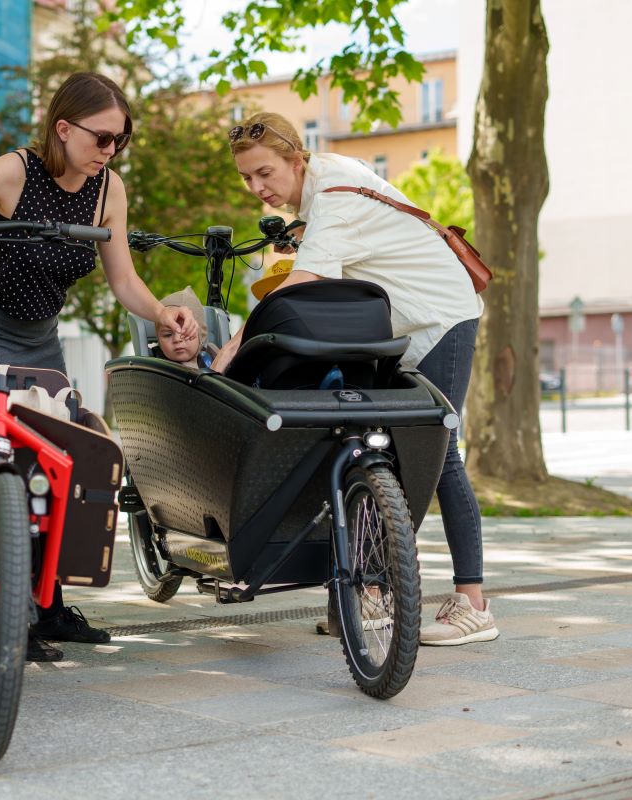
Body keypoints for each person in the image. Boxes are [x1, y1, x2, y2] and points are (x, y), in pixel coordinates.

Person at [0, 72, 199, 662]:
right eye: (101, 138)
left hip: (43, 342)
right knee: (0, 460)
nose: (109, 151)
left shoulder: (106, 189)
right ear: (63, 129)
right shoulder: (13, 172)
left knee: (64, 459)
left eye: (119, 140)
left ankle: (48, 604)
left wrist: (164, 313)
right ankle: (1, 606)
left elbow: (124, 281)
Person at [212, 112, 497, 646]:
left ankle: (473, 604)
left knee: (441, 452)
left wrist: (235, 342)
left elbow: (298, 286)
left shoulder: (336, 196)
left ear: (297, 159)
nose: (257, 189)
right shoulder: (327, 186)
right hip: (401, 327)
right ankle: (368, 594)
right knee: (379, 451)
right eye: (247, 178)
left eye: (265, 173)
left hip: (439, 318)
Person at [155, 286, 218, 369]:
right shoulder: (155, 372)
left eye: (186, 331)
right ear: (159, 341)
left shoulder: (217, 357)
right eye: (168, 334)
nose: (177, 339)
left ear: (201, 334)